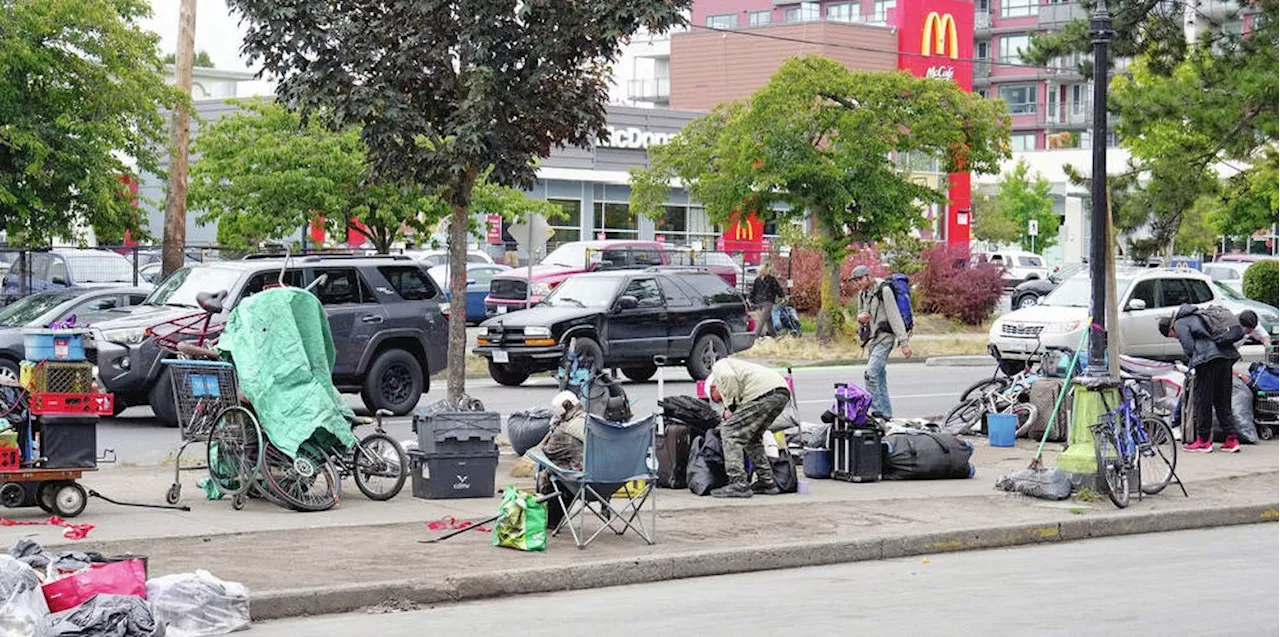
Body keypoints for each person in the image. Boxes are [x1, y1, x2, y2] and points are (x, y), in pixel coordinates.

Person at [1159, 305, 1241, 453]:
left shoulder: (1180, 323)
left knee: (1202, 401)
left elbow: (1189, 348)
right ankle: (1232, 439)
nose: (1176, 337)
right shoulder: (1198, 315)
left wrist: (1190, 363)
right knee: (1223, 401)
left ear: (1170, 329)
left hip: (1207, 361)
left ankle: (1203, 442)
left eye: (1173, 336)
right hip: (1226, 357)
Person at [706, 358, 790, 498]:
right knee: (753, 437)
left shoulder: (719, 368)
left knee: (730, 432)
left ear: (714, 387)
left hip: (764, 392)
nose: (720, 401)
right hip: (780, 392)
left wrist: (730, 406)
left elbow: (729, 377)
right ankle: (767, 482)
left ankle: (738, 483)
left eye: (718, 399)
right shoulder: (740, 372)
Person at [849, 265, 912, 418]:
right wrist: (860, 318)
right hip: (872, 340)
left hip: (885, 338)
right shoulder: (862, 294)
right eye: (855, 281)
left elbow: (894, 316)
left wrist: (904, 343)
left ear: (868, 276)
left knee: (870, 374)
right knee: (879, 378)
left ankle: (877, 413)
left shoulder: (884, 290)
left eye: (860, 279)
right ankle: (887, 415)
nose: (857, 283)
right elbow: (860, 314)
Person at [749, 263, 784, 339]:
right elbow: (778, 289)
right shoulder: (772, 279)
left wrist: (751, 300)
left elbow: (753, 291)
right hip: (768, 302)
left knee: (768, 319)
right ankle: (754, 337)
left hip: (759, 301)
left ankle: (774, 336)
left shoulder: (757, 279)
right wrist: (782, 296)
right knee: (762, 321)